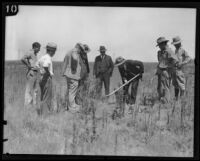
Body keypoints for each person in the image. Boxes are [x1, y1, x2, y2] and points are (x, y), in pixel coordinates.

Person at [62, 43, 88, 113]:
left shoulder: (68, 52)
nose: (81, 51)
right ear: (78, 48)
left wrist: (63, 72)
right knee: (72, 92)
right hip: (73, 76)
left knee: (70, 91)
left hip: (68, 75)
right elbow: (74, 58)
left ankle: (68, 106)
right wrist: (74, 69)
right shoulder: (74, 52)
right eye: (81, 49)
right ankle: (72, 108)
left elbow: (65, 62)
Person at [36, 42, 57, 115]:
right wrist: (48, 73)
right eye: (54, 51)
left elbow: (37, 65)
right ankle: (45, 116)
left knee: (43, 96)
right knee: (47, 97)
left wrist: (41, 71)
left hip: (41, 77)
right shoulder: (48, 57)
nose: (54, 53)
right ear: (51, 50)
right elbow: (45, 66)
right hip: (47, 78)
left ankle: (41, 114)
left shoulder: (42, 57)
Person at [156, 37, 178, 104]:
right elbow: (160, 61)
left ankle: (166, 102)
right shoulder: (160, 52)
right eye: (158, 45)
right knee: (159, 87)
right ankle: (161, 100)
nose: (159, 46)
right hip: (160, 71)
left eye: (160, 45)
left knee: (166, 87)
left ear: (164, 44)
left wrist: (168, 67)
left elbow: (175, 61)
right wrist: (158, 69)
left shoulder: (169, 51)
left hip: (166, 71)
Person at [171, 36, 191, 100]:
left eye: (176, 44)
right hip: (174, 70)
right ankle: (176, 98)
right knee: (175, 84)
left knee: (181, 85)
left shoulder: (182, 50)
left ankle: (182, 99)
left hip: (180, 70)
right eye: (175, 44)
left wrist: (182, 63)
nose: (175, 45)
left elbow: (188, 58)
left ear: (179, 43)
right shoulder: (175, 51)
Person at [21, 42, 41, 106]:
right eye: (39, 48)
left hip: (35, 73)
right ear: (35, 47)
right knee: (29, 90)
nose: (39, 50)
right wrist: (28, 65)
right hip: (31, 73)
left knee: (35, 89)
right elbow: (22, 59)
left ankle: (33, 104)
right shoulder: (30, 52)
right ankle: (27, 106)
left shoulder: (35, 53)